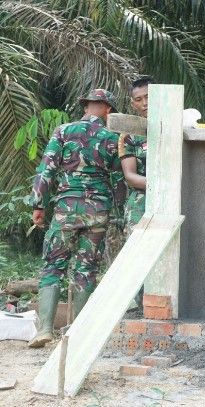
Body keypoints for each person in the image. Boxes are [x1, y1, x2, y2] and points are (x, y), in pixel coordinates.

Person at [28, 89, 126, 348]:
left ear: (86, 106)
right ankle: (77, 333)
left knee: (53, 266)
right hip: (98, 213)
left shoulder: (63, 131)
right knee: (86, 269)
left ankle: (45, 330)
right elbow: (118, 179)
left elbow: (46, 169)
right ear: (108, 109)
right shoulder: (112, 138)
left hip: (66, 211)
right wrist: (119, 212)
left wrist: (38, 205)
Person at [119, 76, 152, 236]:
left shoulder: (180, 127)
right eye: (139, 99)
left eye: (148, 97)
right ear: (133, 104)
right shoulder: (129, 136)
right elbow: (130, 176)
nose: (145, 103)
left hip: (177, 201)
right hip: (141, 203)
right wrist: (161, 186)